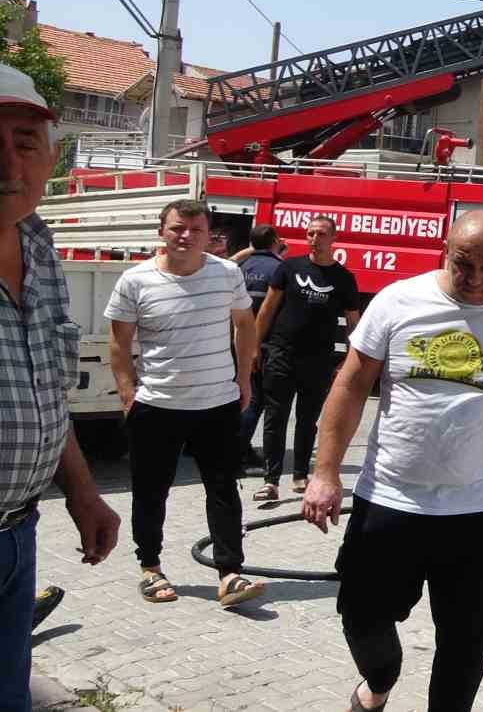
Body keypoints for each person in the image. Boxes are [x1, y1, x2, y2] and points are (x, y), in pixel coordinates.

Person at [302, 210, 483, 712]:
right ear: (446, 250)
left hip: (478, 515)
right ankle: (378, 682)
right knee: (361, 617)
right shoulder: (399, 301)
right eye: (464, 264)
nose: (476, 280)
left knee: (465, 649)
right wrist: (325, 472)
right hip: (390, 502)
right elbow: (352, 385)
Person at [0, 62, 120, 709]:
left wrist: (82, 491)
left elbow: (48, 388)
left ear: (50, 160)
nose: (8, 166)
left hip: (18, 536)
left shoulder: (40, 252)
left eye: (25, 145)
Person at [105, 198, 265, 607]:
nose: (186, 236)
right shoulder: (135, 281)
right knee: (151, 490)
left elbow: (244, 325)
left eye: (195, 230)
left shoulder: (227, 274)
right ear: (162, 230)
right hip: (157, 405)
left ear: (208, 234)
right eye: (177, 228)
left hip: (217, 403)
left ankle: (230, 573)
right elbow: (119, 345)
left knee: (224, 489)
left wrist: (243, 377)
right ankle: (151, 567)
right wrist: (128, 396)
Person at [253, 216, 360, 500]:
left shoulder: (343, 278)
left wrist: (351, 358)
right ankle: (271, 479)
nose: (314, 238)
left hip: (318, 361)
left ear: (333, 238)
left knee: (307, 419)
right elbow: (267, 308)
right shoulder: (289, 268)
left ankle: (300, 474)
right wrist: (255, 346)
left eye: (321, 233)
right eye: (310, 233)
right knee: (275, 417)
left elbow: (353, 323)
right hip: (281, 354)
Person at [235, 225, 284, 474]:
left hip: (233, 343)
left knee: (236, 398)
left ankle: (234, 450)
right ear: (274, 240)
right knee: (254, 401)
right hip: (261, 346)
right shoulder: (279, 270)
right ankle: (238, 454)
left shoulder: (239, 268)